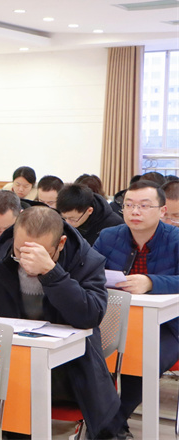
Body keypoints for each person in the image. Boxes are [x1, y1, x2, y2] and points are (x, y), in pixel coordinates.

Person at [0, 206, 119, 439]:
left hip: (66, 372)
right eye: (20, 252)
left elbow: (90, 315)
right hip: (7, 364)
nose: (26, 261)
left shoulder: (85, 261)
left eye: (38, 254)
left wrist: (51, 273)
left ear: (60, 244)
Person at [92, 180, 179, 440]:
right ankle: (112, 426)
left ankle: (107, 427)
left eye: (143, 206)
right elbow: (87, 270)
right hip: (116, 320)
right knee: (88, 357)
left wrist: (151, 282)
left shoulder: (175, 239)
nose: (135, 212)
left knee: (144, 359)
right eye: (129, 205)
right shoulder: (109, 236)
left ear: (162, 211)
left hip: (169, 326)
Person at [57, 184, 123, 245]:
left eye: (72, 219)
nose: (67, 223)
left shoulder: (114, 226)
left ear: (89, 211)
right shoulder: (59, 218)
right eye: (64, 218)